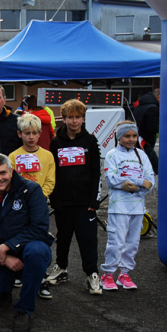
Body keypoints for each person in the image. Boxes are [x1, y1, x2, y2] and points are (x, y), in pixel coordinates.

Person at [0, 153, 54, 332]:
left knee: (37, 251)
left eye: (2, 173)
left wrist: (6, 247)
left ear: (11, 172)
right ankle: (4, 287)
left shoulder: (31, 190)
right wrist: (4, 258)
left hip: (27, 250)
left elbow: (40, 229)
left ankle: (24, 309)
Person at [47, 99, 102, 295]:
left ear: (83, 118)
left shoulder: (90, 141)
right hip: (64, 202)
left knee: (88, 239)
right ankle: (61, 268)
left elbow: (96, 173)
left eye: (78, 117)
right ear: (64, 118)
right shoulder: (56, 142)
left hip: (85, 202)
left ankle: (92, 274)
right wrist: (56, 200)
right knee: (63, 237)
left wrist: (94, 200)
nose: (74, 121)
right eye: (70, 117)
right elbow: (51, 172)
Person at [100, 121, 155, 290]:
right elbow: (112, 179)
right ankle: (107, 274)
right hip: (119, 207)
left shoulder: (142, 155)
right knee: (116, 241)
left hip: (138, 208)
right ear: (119, 137)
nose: (131, 139)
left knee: (132, 243)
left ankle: (124, 274)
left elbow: (150, 180)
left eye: (134, 136)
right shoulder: (112, 154)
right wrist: (140, 183)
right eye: (127, 136)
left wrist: (137, 188)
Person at [9, 113, 56, 297]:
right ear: (20, 134)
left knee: (39, 241)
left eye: (34, 133)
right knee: (19, 238)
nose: (30, 136)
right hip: (19, 206)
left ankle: (41, 277)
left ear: (39, 134)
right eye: (26, 133)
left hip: (39, 206)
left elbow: (50, 182)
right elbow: (9, 182)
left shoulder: (47, 156)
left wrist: (37, 197)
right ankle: (19, 273)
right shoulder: (13, 156)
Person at [131, 88, 160, 174]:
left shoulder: (140, 106)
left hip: (139, 136)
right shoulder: (153, 108)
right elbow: (152, 127)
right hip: (146, 140)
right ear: (158, 96)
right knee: (154, 163)